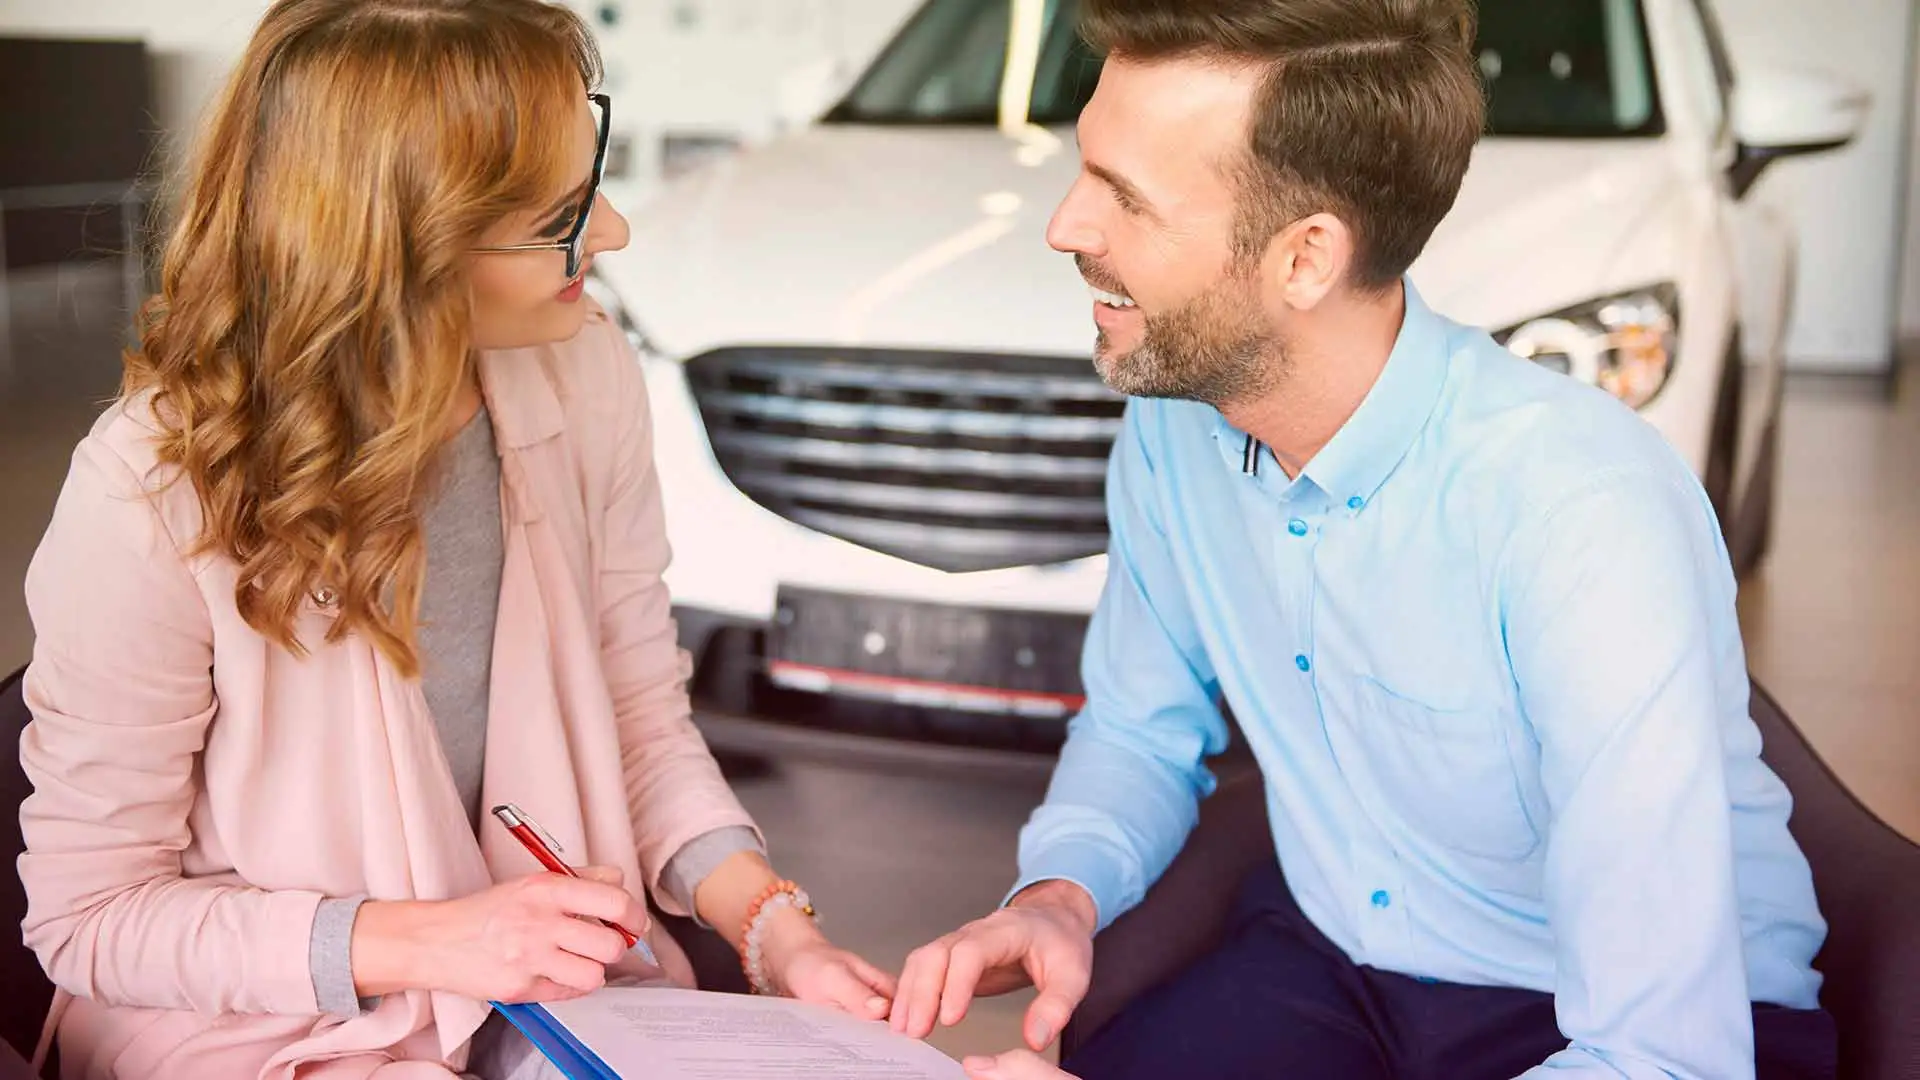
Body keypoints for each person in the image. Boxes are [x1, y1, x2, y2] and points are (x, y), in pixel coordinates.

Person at [889, 1, 1838, 1078]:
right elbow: (1141, 730)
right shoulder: (1172, 433)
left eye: (1127, 201)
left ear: (1305, 260)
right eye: (1084, 171)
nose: (1065, 226)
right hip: (1338, 961)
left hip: (1603, 1018)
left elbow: (1663, 1057)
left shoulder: (1582, 513)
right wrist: (1061, 894)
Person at [14, 2, 893, 1077]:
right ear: (399, 249)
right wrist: (439, 940)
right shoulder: (147, 491)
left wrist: (774, 931)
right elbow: (91, 920)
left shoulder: (589, 372)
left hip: (547, 1010)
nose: (610, 234)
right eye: (557, 217)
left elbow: (637, 721)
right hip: (260, 1029)